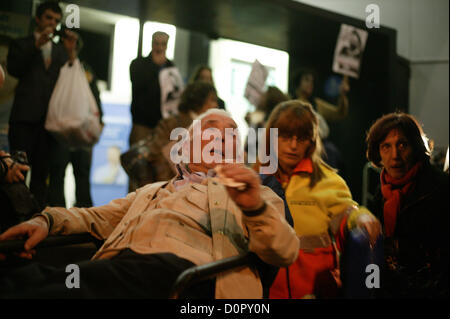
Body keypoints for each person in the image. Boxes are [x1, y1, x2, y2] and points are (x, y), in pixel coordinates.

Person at [0, 109, 299, 299]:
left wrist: (254, 207)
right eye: (210, 129)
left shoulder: (254, 193)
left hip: (185, 277)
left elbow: (285, 251)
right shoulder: (151, 192)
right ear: (185, 146)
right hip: (119, 270)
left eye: (231, 133)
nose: (221, 136)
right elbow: (93, 217)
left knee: (61, 286)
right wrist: (46, 220)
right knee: (28, 280)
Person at [257, 100, 380, 299]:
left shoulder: (328, 181)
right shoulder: (253, 179)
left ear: (312, 141)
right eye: (286, 137)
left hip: (314, 292)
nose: (294, 145)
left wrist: (362, 218)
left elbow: (348, 212)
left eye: (302, 138)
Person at [366, 112, 449, 298]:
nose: (395, 155)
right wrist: (373, 289)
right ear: (377, 153)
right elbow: (375, 256)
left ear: (416, 147)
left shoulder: (441, 188)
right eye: (386, 146)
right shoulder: (381, 193)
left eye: (402, 145)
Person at [6, 1, 78, 210]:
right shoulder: (21, 44)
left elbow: (70, 78)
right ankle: (13, 218)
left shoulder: (60, 51)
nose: (52, 23)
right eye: (48, 18)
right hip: (24, 119)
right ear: (38, 19)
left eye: (56, 20)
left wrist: (71, 52)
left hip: (49, 124)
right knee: (18, 172)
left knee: (42, 174)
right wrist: (36, 45)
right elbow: (14, 68)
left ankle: (37, 218)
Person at [129, 80, 218, 187]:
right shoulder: (171, 124)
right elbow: (156, 155)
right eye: (212, 100)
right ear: (199, 101)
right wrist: (169, 186)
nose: (216, 105)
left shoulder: (211, 128)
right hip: (170, 189)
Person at [47, 58, 104, 208]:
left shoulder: (85, 69)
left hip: (83, 132)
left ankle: (84, 219)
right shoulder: (57, 66)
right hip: (60, 131)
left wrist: (100, 120)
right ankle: (56, 216)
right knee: (57, 174)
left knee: (82, 175)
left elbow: (95, 95)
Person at [128, 31, 179, 191]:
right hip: (142, 125)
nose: (159, 47)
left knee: (160, 172)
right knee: (138, 170)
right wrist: (156, 69)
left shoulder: (171, 68)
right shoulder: (138, 64)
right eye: (156, 43)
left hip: (162, 127)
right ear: (151, 43)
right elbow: (140, 87)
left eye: (163, 44)